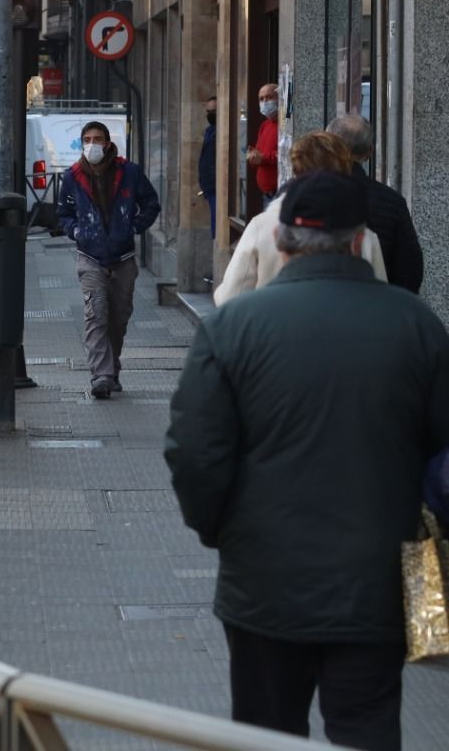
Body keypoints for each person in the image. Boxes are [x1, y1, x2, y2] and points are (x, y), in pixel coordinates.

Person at [167, 170, 449, 750]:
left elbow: (194, 452)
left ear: (283, 239)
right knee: (366, 727)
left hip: (263, 583)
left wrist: (220, 530)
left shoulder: (233, 328)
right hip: (376, 582)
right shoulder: (417, 325)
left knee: (268, 733)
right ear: (358, 240)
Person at [214, 132, 387, 304]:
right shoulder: (362, 234)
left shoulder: (262, 226)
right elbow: (379, 300)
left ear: (295, 170)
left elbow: (230, 296)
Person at [55, 121, 160, 399]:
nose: (92, 144)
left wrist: (133, 227)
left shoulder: (129, 172)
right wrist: (76, 231)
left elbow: (151, 203)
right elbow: (62, 213)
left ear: (108, 143)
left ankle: (111, 368)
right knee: (97, 314)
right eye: (87, 139)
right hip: (90, 257)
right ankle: (100, 375)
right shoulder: (73, 176)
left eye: (97, 139)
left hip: (123, 258)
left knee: (119, 318)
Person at [326, 113, 423, 293]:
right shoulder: (392, 202)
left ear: (328, 146)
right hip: (378, 306)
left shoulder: (299, 197)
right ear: (369, 153)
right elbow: (409, 271)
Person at [247, 83, 279, 199]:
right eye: (261, 99)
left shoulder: (285, 125)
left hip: (279, 192)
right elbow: (259, 155)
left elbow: (287, 154)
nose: (265, 102)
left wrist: (262, 158)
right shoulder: (265, 125)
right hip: (266, 194)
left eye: (269, 97)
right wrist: (253, 157)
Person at [198, 96, 217, 237]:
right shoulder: (209, 131)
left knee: (217, 226)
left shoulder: (219, 132)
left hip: (217, 187)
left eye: (214, 111)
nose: (210, 114)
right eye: (208, 111)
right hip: (210, 187)